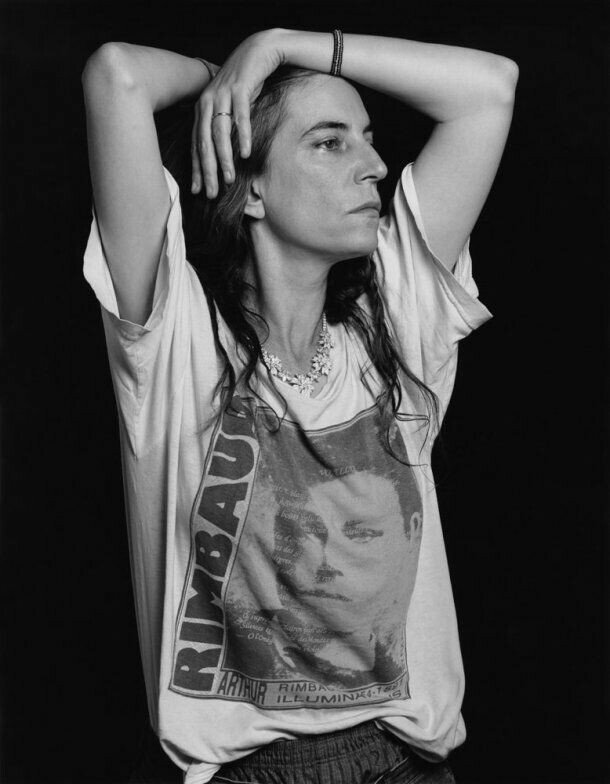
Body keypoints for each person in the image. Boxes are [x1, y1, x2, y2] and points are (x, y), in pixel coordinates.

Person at [81, 27, 517, 784]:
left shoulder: (397, 322)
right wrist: (229, 80)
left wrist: (280, 43)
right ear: (251, 187)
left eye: (368, 139)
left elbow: (489, 91)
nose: (374, 165)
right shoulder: (174, 343)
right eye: (329, 142)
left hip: (406, 764)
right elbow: (116, 76)